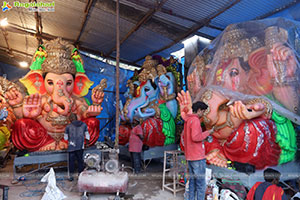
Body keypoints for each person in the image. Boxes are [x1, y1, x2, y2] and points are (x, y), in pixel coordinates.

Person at [177, 90, 214, 200]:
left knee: (192, 181)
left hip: (190, 157)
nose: (203, 114)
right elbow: (196, 137)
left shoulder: (188, 120)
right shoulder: (195, 120)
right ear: (198, 110)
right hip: (197, 157)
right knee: (201, 184)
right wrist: (208, 132)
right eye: (203, 111)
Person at [64, 113, 90, 181]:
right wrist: (87, 143)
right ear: (76, 118)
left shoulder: (68, 127)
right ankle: (80, 175)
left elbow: (65, 138)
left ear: (71, 119)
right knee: (80, 161)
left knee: (71, 162)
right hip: (80, 146)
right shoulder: (83, 125)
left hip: (71, 147)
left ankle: (71, 177)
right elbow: (87, 135)